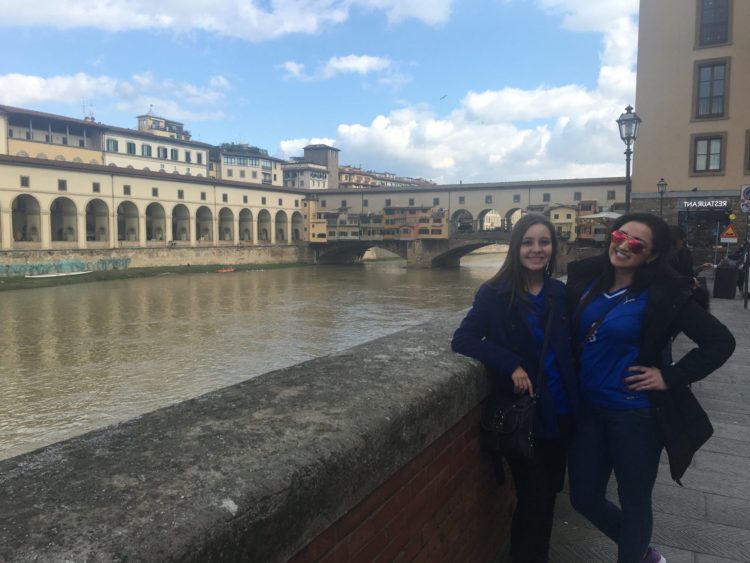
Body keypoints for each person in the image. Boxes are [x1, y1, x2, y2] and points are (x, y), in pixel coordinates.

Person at [566, 213, 735, 563]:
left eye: (636, 244)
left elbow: (720, 341)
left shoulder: (664, 294)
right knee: (583, 498)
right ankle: (643, 554)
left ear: (652, 255)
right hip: (588, 410)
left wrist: (669, 376)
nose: (623, 245)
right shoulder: (588, 281)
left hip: (635, 415)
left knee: (635, 500)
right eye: (620, 235)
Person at [451, 213, 579, 563]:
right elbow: (462, 339)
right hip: (526, 416)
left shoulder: (559, 293)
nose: (537, 250)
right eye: (528, 242)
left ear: (552, 248)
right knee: (533, 500)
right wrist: (511, 363)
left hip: (563, 412)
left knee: (549, 496)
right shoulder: (494, 293)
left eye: (544, 242)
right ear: (516, 247)